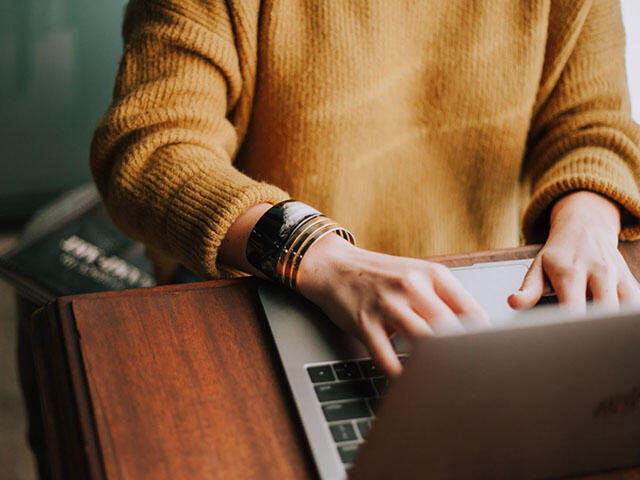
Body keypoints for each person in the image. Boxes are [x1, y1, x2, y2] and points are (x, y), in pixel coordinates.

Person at [91, 0, 640, 377]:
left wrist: (589, 221)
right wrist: (319, 255)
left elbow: (592, 124)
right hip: (276, 291)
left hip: (485, 304)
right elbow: (151, 148)